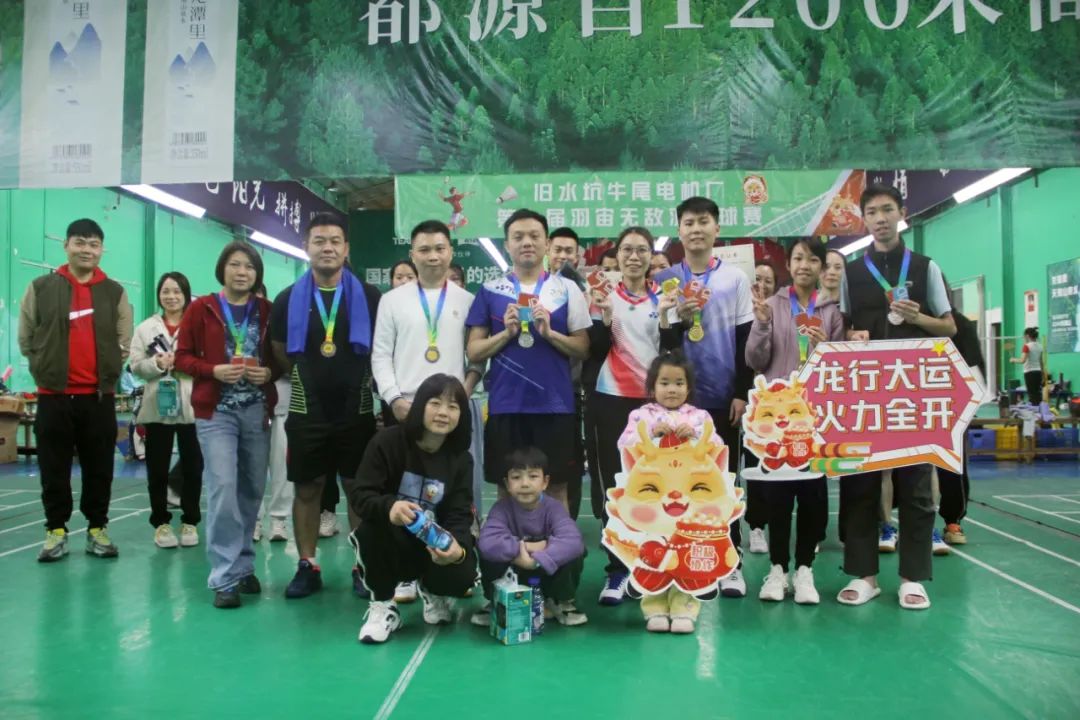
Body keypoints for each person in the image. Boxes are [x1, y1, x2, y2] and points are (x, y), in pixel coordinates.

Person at [838, 183, 957, 611]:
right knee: (860, 484)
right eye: (872, 212)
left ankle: (912, 578)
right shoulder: (852, 273)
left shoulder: (925, 268)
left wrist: (919, 317)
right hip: (865, 395)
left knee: (917, 487)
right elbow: (844, 328)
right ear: (863, 219)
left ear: (901, 213)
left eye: (887, 210)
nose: (880, 218)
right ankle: (864, 576)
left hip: (913, 395)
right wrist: (852, 337)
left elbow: (949, 327)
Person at [270, 212, 381, 600]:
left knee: (357, 489)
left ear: (346, 248)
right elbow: (279, 350)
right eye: (319, 240)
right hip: (307, 409)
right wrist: (308, 378)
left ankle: (362, 565)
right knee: (307, 488)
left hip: (357, 408)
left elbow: (382, 348)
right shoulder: (287, 299)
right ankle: (307, 564)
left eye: (335, 241)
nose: (327, 247)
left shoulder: (370, 296)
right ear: (306, 246)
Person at [372, 219, 480, 603]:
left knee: (454, 490)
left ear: (450, 252)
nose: (433, 256)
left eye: (439, 248)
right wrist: (394, 399)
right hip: (404, 408)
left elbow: (476, 358)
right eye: (424, 249)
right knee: (405, 491)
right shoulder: (392, 300)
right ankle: (404, 571)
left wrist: (462, 396)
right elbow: (380, 355)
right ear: (412, 254)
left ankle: (452, 561)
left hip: (452, 412)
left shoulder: (467, 301)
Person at [653, 197, 755, 598]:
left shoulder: (734, 278)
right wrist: (678, 317)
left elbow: (745, 340)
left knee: (724, 483)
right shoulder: (666, 279)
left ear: (716, 228)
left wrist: (742, 393)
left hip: (722, 398)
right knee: (677, 484)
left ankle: (730, 563)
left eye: (703, 221)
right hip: (678, 401)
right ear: (679, 230)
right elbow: (664, 346)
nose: (696, 229)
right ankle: (683, 561)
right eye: (689, 223)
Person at [18, 218, 134, 562]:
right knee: (53, 468)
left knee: (100, 468)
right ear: (66, 245)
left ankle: (97, 529)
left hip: (98, 398)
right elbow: (26, 337)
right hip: (53, 396)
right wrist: (44, 366)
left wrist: (108, 371)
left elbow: (124, 341)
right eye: (80, 242)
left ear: (102, 250)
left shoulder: (114, 292)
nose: (87, 250)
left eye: (94, 244)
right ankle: (56, 531)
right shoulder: (41, 287)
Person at [466, 209, 591, 514]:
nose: (527, 242)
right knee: (506, 488)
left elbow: (582, 348)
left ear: (546, 244)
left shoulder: (566, 289)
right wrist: (506, 334)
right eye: (518, 236)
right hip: (506, 405)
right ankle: (508, 545)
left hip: (556, 406)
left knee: (557, 487)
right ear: (507, 245)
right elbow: (474, 351)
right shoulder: (490, 290)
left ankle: (558, 545)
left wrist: (550, 334)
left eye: (534, 236)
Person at [175, 241, 278, 608]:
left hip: (256, 411)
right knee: (222, 486)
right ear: (223, 269)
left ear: (257, 273)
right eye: (235, 264)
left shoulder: (266, 310)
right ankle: (224, 577)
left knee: (251, 490)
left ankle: (243, 565)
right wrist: (212, 370)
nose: (242, 272)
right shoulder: (201, 308)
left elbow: (281, 358)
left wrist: (270, 373)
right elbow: (181, 358)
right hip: (216, 412)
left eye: (249, 266)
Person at [745, 239, 844, 605]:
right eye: (798, 258)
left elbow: (838, 371)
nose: (804, 265)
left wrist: (823, 348)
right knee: (778, 498)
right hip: (777, 420)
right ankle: (777, 569)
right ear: (788, 264)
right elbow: (755, 360)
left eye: (813, 259)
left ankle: (804, 570)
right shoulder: (771, 306)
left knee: (813, 497)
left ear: (821, 267)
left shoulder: (831, 312)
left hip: (813, 420)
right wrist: (761, 324)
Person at [588, 227, 681, 605]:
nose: (634, 256)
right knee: (617, 486)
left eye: (642, 250)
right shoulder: (603, 296)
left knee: (655, 486)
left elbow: (674, 352)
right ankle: (617, 570)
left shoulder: (665, 296)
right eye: (627, 249)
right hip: (611, 399)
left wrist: (666, 318)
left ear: (650, 257)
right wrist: (605, 317)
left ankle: (652, 565)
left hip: (652, 405)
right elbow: (594, 352)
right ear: (618, 255)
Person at [347, 374, 477, 644]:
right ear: (419, 406)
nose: (443, 413)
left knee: (464, 568)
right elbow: (361, 495)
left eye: (453, 407)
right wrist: (389, 507)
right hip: (393, 541)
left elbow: (460, 513)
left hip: (431, 546)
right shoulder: (387, 442)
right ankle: (383, 604)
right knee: (369, 531)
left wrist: (457, 549)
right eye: (435, 403)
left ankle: (432, 590)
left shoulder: (461, 459)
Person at [616, 352, 723, 633]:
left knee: (687, 552)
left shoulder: (700, 417)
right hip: (654, 503)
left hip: (689, 504)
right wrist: (650, 434)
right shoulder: (641, 416)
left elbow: (717, 447)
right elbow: (624, 445)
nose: (672, 389)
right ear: (652, 387)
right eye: (664, 383)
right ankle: (654, 608)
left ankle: (684, 608)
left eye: (679, 383)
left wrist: (696, 436)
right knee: (653, 552)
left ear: (689, 387)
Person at [471, 447, 587, 627]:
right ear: (507, 483)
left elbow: (573, 542)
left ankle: (559, 600)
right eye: (516, 477)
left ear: (545, 482)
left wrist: (537, 560)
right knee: (488, 553)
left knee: (575, 552)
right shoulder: (501, 509)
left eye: (533, 476)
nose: (525, 484)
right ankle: (496, 599)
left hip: (546, 572)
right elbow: (488, 543)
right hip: (513, 574)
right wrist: (526, 548)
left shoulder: (554, 508)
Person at [130, 272, 203, 549]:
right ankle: (161, 522)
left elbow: (206, 360)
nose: (171, 296)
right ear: (159, 295)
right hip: (157, 405)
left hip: (192, 405)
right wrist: (157, 364)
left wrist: (185, 365)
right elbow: (136, 365)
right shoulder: (146, 328)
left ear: (186, 294)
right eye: (166, 291)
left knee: (193, 466)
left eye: (176, 291)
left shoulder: (197, 325)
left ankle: (190, 520)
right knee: (157, 468)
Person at [1011, 327, 1044, 405]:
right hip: (1038, 372)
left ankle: (1035, 410)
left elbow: (1022, 360)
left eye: (1024, 336)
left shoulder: (1026, 346)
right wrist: (1042, 373)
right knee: (1037, 393)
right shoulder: (1040, 346)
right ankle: (1039, 409)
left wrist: (1013, 360)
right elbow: (1041, 362)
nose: (1023, 338)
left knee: (1032, 394)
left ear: (1027, 336)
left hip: (1029, 372)